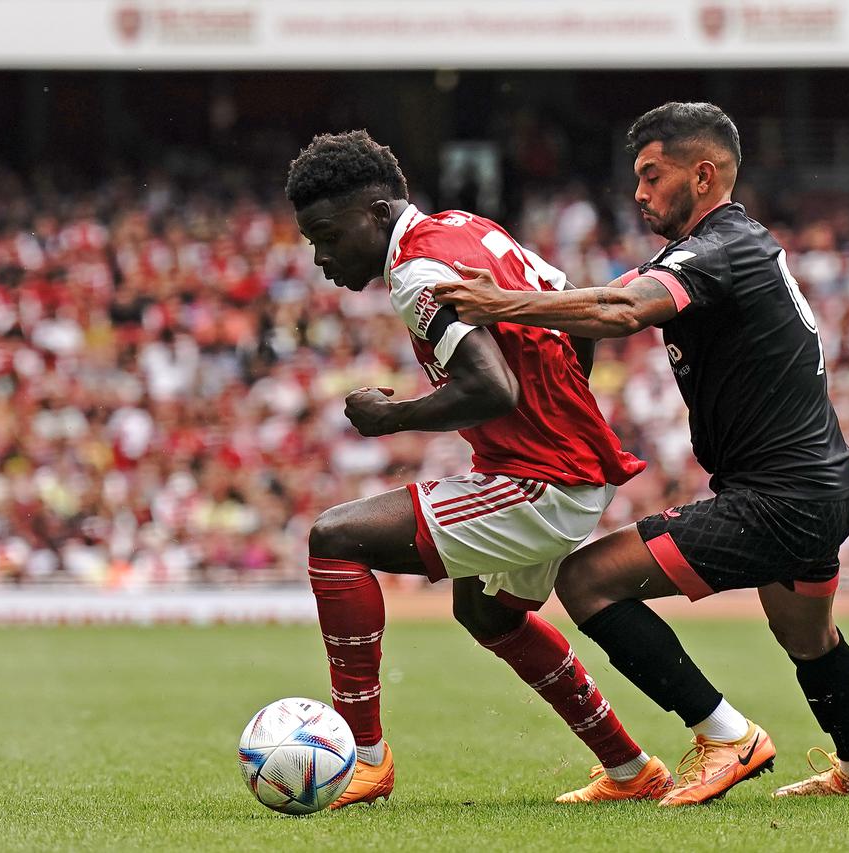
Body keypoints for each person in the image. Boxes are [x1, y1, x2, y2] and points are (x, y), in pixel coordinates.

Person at [436, 101, 849, 805]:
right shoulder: (717, 249)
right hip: (815, 485)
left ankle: (726, 734)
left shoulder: (721, 248)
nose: (640, 192)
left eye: (653, 175)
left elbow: (621, 312)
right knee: (806, 634)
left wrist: (498, 304)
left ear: (704, 173)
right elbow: (610, 297)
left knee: (589, 579)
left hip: (783, 495)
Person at [284, 130, 672, 808]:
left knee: (334, 538)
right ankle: (630, 768)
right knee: (487, 613)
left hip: (541, 479)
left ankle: (364, 756)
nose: (321, 257)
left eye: (326, 234)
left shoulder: (413, 271)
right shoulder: (465, 228)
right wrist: (561, 407)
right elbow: (574, 307)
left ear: (376, 212)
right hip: (563, 465)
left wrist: (392, 416)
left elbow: (494, 389)